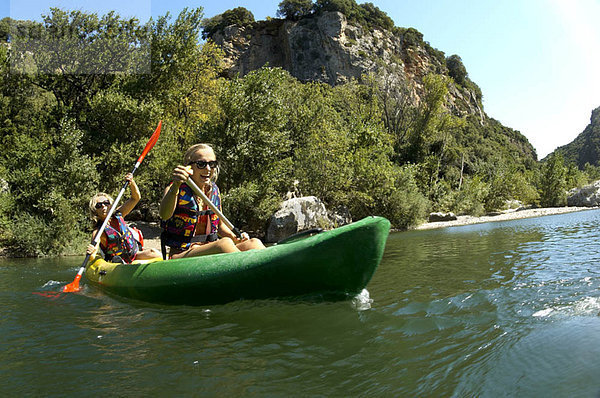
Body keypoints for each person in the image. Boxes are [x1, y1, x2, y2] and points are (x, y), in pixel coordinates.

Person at [159, 143, 266, 259]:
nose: (208, 169)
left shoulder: (214, 190)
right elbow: (164, 215)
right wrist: (175, 186)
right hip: (181, 254)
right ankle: (250, 271)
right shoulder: (174, 189)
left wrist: (234, 237)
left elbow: (219, 226)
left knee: (254, 243)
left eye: (212, 164)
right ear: (188, 167)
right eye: (201, 164)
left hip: (209, 249)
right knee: (224, 244)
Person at [86, 173, 162, 263]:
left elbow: (135, 198)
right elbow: (93, 252)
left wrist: (132, 183)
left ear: (110, 204)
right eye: (99, 205)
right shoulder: (98, 231)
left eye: (106, 203)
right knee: (117, 260)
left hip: (133, 254)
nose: (103, 206)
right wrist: (92, 252)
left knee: (155, 253)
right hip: (115, 261)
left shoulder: (119, 214)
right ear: (95, 211)